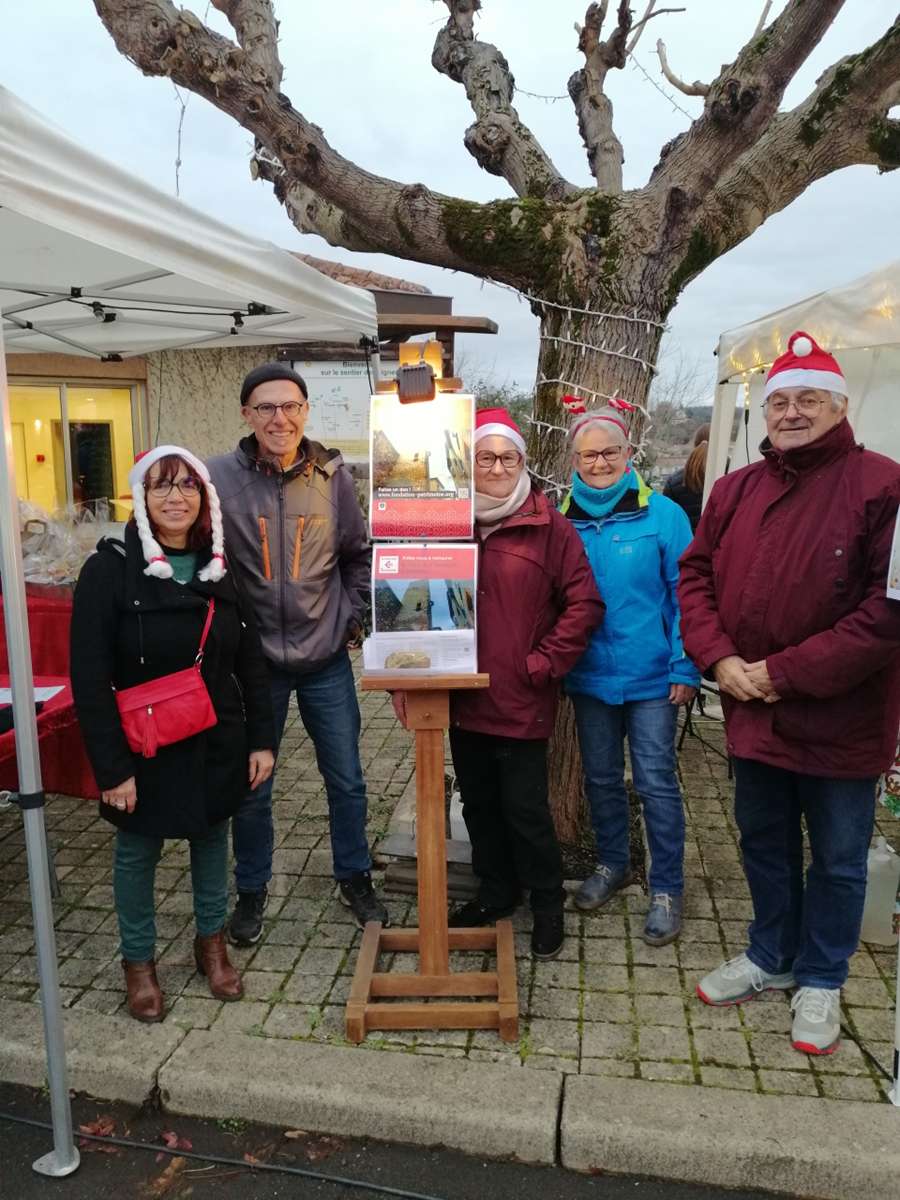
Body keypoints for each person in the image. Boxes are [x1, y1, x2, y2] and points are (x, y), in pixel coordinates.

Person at [678, 331, 900, 1055]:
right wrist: (718, 657)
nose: (793, 412)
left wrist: (782, 671)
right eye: (781, 400)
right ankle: (771, 955)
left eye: (809, 399)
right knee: (764, 842)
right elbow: (696, 577)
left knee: (837, 857)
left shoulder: (884, 485)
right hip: (752, 711)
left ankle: (823, 976)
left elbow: (887, 611)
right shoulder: (737, 488)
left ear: (840, 405)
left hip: (843, 718)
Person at [71, 446, 275, 1022]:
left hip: (216, 737)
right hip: (144, 744)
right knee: (137, 852)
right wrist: (112, 770)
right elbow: (89, 680)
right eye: (161, 486)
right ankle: (139, 964)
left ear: (203, 495)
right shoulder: (109, 569)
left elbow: (251, 661)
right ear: (141, 497)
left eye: (187, 485)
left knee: (213, 840)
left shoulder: (221, 565)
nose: (175, 497)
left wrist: (262, 740)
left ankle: (211, 946)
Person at [393, 408, 604, 959]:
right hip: (459, 695)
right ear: (470, 463)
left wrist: (542, 665)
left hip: (520, 696)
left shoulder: (549, 527)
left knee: (525, 810)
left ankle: (547, 903)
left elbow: (584, 605)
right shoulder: (445, 524)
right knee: (479, 806)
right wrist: (404, 676)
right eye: (485, 457)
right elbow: (410, 599)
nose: (497, 467)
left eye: (508, 457)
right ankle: (496, 891)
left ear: (524, 463)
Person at [207, 363, 387, 944]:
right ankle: (252, 890)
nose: (279, 418)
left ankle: (354, 875)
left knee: (348, 779)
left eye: (290, 406)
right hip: (255, 666)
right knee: (254, 784)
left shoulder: (333, 476)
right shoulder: (217, 479)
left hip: (325, 660)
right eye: (265, 408)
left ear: (306, 410)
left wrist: (351, 616)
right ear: (246, 414)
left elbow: (359, 554)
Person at [563, 410, 699, 946]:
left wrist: (685, 663)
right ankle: (614, 863)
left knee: (655, 783)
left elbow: (686, 594)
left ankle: (666, 887)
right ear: (573, 461)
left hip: (652, 678)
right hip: (590, 676)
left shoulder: (663, 516)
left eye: (609, 453)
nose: (600, 463)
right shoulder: (562, 520)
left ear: (628, 455)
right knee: (599, 778)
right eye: (588, 454)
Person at [663, 423, 710, 532]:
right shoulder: (732, 477)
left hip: (686, 545)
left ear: (695, 444)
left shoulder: (674, 482)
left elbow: (667, 520)